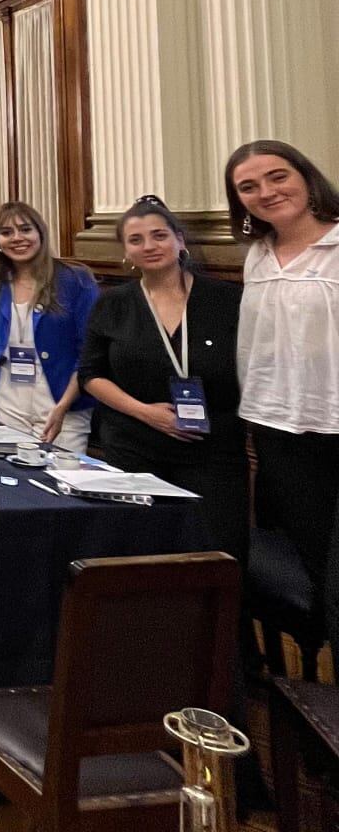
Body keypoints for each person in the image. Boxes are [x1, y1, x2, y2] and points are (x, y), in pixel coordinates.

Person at [79, 197, 247, 565]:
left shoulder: (228, 300)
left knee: (216, 558)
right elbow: (91, 375)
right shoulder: (113, 303)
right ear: (126, 251)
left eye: (159, 235)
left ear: (180, 241)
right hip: (134, 448)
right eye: (136, 240)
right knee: (141, 556)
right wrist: (146, 413)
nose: (149, 246)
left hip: (213, 452)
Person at [227, 140, 339, 643]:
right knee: (312, 565)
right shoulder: (257, 255)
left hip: (333, 424)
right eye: (248, 186)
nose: (266, 192)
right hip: (278, 431)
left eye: (277, 177)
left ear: (306, 177)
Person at [0, 201, 97, 452]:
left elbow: (88, 353)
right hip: (5, 402)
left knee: (58, 483)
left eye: (25, 230)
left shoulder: (75, 279)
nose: (17, 238)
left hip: (60, 406)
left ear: (40, 233)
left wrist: (63, 406)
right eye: (6, 233)